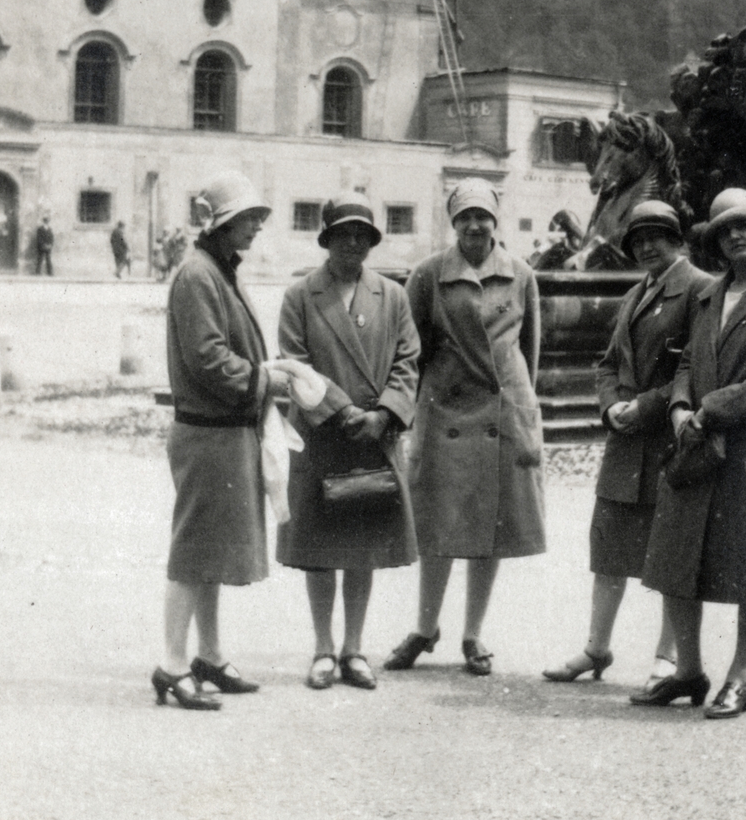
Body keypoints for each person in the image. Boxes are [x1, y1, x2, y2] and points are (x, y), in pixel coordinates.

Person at [636, 187, 746, 719]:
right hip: (697, 441)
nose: (735, 236)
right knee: (676, 555)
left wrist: (707, 410)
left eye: (745, 227)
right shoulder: (711, 295)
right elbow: (687, 358)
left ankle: (740, 677)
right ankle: (688, 670)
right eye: (725, 230)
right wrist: (679, 407)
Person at [544, 199, 711, 689]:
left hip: (668, 441)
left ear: (678, 239)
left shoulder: (700, 289)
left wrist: (646, 407)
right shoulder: (638, 293)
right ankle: (596, 649)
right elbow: (608, 363)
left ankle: (668, 654)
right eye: (638, 239)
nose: (647, 246)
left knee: (673, 554)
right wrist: (610, 405)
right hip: (625, 443)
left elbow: (698, 368)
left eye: (657, 235)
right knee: (610, 548)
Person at [385, 178, 543, 678]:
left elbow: (528, 351)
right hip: (446, 411)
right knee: (437, 526)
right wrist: (408, 411)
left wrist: (518, 406)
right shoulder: (430, 274)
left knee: (491, 530)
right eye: (464, 217)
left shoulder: (520, 274)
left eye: (483, 216)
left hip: (501, 413)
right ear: (452, 223)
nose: (474, 225)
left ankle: (473, 634)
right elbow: (409, 350)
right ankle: (425, 627)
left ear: (496, 221)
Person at [152, 170, 290, 711]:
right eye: (249, 217)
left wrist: (263, 374)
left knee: (208, 552)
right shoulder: (198, 276)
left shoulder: (216, 271)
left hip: (225, 432)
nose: (257, 226)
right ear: (222, 222)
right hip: (208, 434)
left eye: (258, 216)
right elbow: (208, 359)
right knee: (193, 552)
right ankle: (171, 663)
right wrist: (266, 379)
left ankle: (206, 654)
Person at [277, 194, 420, 691]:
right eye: (343, 234)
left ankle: (354, 649)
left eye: (362, 235)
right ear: (327, 239)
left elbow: (408, 361)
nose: (353, 243)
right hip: (323, 436)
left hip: (373, 439)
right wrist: (342, 410)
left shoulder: (392, 295)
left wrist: (384, 415)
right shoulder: (301, 295)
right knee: (318, 548)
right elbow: (293, 363)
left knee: (362, 548)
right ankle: (321, 648)